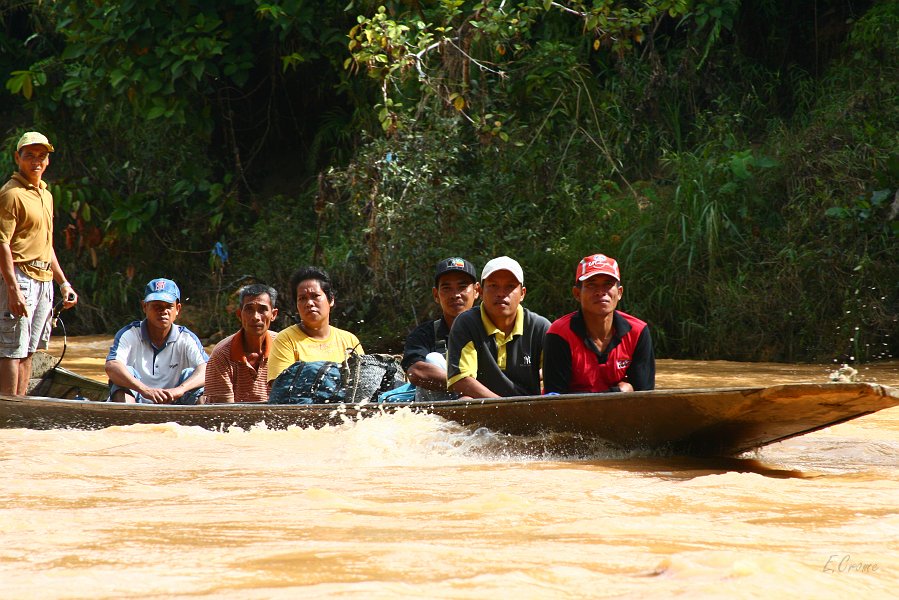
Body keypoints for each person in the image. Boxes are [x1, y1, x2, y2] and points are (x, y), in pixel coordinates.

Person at [0, 132, 78, 395]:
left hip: (44, 280)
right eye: (29, 155)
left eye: (41, 156)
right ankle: (8, 413)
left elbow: (46, 245)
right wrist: (13, 290)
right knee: (11, 349)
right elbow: (2, 244)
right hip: (19, 277)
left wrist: (63, 282)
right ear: (17, 158)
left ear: (47, 161)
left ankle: (21, 409)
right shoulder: (11, 195)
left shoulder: (45, 194)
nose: (36, 161)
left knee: (29, 350)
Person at [543, 253, 654, 394]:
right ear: (577, 293)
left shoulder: (638, 332)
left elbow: (645, 397)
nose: (600, 292)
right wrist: (618, 391)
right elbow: (554, 400)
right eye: (591, 285)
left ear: (619, 293)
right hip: (573, 415)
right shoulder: (559, 333)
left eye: (608, 284)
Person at [446, 256, 550, 398]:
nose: (501, 293)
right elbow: (462, 380)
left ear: (522, 294)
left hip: (529, 409)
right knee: (466, 400)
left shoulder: (539, 327)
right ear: (480, 291)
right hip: (484, 405)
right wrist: (504, 407)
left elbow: (556, 379)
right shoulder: (466, 324)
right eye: (493, 285)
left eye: (510, 286)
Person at [105, 278, 208, 403]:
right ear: (144, 307)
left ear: (178, 309)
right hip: (137, 402)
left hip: (176, 402)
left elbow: (207, 369)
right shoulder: (130, 334)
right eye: (157, 306)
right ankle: (129, 419)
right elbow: (112, 367)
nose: (163, 312)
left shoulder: (186, 338)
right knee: (124, 375)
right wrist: (145, 390)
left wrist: (180, 389)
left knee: (194, 378)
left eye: (169, 306)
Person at [401, 257, 480, 400]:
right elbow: (416, 372)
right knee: (433, 359)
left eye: (462, 287)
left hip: (488, 402)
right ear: (436, 295)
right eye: (447, 288)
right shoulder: (423, 334)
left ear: (476, 291)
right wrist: (463, 385)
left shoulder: (493, 331)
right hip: (440, 414)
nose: (455, 295)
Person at [267, 266, 363, 383]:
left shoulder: (349, 341)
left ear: (331, 299)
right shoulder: (285, 340)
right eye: (302, 298)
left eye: (315, 296)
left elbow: (363, 383)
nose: (309, 303)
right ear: (296, 305)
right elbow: (281, 388)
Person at [204, 283, 279, 403]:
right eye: (249, 310)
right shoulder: (222, 354)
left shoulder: (283, 347)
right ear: (239, 315)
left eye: (262, 310)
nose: (255, 317)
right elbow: (222, 412)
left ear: (273, 315)